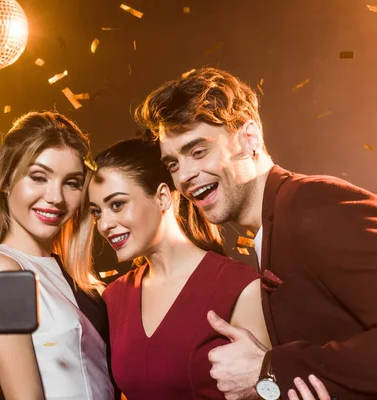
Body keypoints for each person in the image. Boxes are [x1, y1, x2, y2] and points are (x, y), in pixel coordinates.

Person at [136, 67, 377, 400]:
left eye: (198, 151)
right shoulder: (272, 228)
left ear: (250, 138)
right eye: (173, 164)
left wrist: (270, 369)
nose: (186, 175)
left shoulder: (313, 204)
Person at [84, 138, 269, 399]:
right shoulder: (113, 297)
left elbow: (267, 389)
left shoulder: (240, 287)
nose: (104, 225)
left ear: (161, 197)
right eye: (97, 212)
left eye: (117, 205)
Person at [0, 111, 115, 400]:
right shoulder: (0, 272)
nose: (55, 197)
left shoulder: (71, 275)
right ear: (6, 181)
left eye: (71, 182)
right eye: (38, 177)